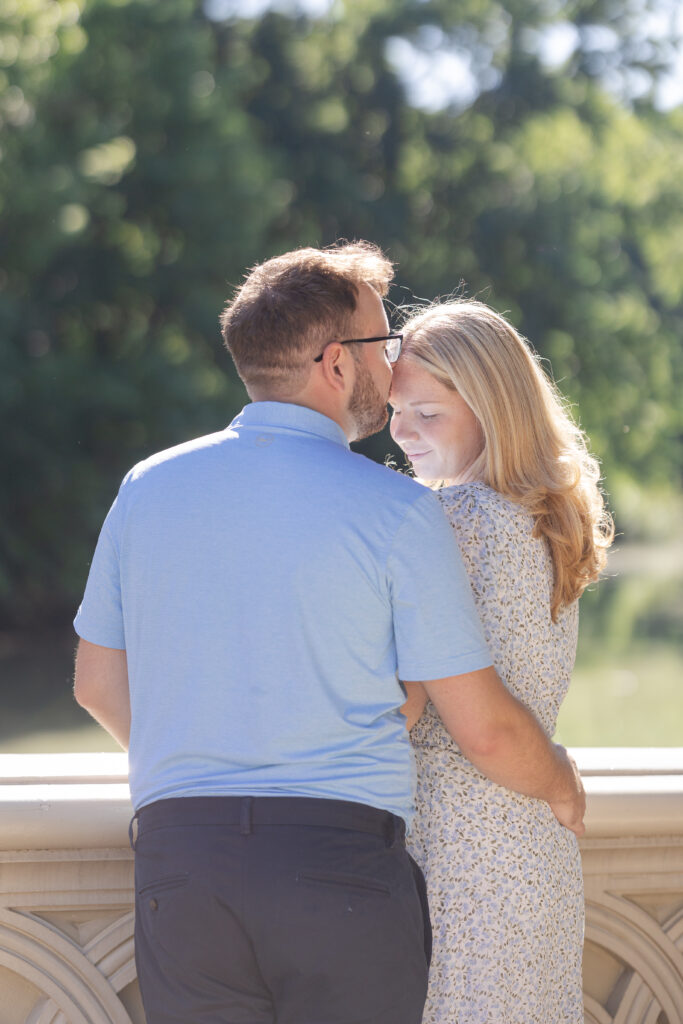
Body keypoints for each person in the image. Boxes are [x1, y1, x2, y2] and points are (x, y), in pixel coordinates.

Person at [73, 242, 585, 1024]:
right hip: (335, 862)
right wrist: (559, 779)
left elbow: (96, 685)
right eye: (382, 344)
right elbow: (470, 720)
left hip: (180, 860)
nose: (391, 363)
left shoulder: (146, 486)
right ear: (336, 364)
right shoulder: (396, 511)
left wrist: (210, 764)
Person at [389, 298, 613, 1024]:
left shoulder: (449, 522)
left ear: (491, 406)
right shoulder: (546, 517)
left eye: (427, 413)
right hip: (533, 852)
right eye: (398, 411)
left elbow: (404, 707)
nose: (400, 432)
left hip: (458, 862)